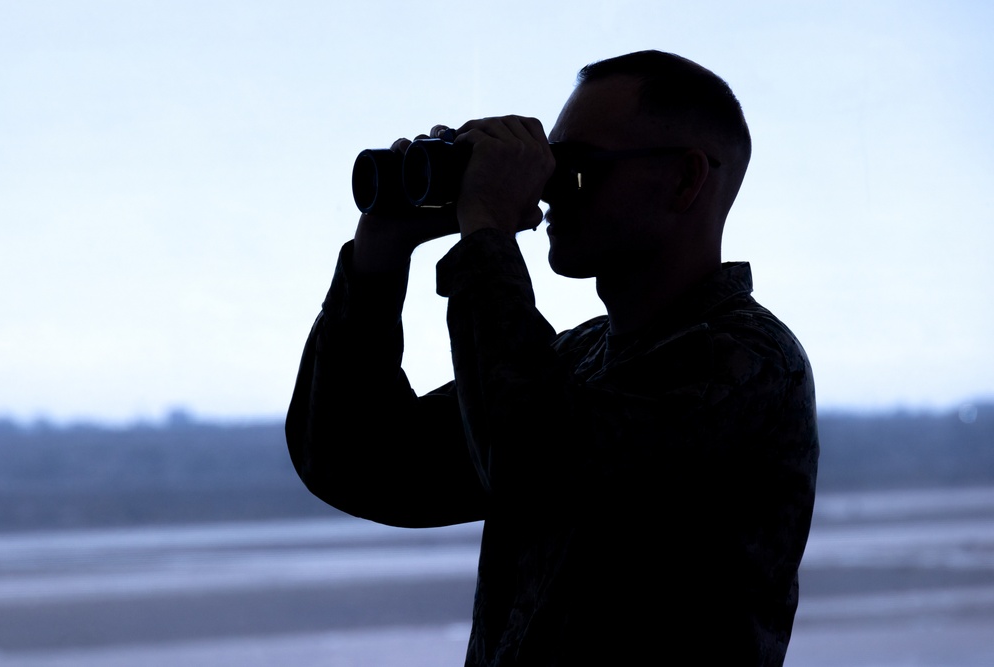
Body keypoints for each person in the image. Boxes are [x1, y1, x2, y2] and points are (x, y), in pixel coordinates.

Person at [286, 50, 818, 666]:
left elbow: (533, 471)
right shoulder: (576, 359)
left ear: (685, 180)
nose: (549, 192)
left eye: (577, 168)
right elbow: (361, 462)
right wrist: (381, 252)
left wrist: (486, 230)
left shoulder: (747, 366)